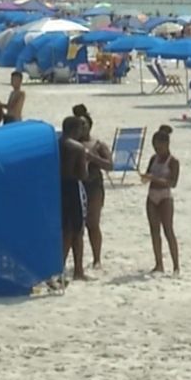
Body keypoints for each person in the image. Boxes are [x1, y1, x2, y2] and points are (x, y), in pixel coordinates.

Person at [73, 105, 113, 268]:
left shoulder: (98, 144)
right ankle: (78, 261)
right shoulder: (72, 144)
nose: (81, 127)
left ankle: (97, 259)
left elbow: (110, 165)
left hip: (94, 186)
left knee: (93, 224)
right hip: (77, 186)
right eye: (79, 124)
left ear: (90, 125)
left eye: (84, 124)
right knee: (76, 227)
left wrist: (92, 158)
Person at [143, 125, 181, 274]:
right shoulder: (154, 158)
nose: (157, 150)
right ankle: (159, 264)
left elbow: (173, 183)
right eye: (155, 147)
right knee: (154, 231)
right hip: (152, 195)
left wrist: (155, 179)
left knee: (168, 230)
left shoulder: (173, 161)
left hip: (165, 196)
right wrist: (146, 177)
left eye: (159, 147)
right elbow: (148, 174)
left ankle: (176, 265)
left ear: (166, 144)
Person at [59, 116, 89, 282]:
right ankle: (78, 270)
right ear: (75, 129)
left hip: (58, 187)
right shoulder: (78, 148)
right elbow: (82, 174)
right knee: (76, 230)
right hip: (72, 187)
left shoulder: (55, 144)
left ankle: (61, 268)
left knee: (64, 228)